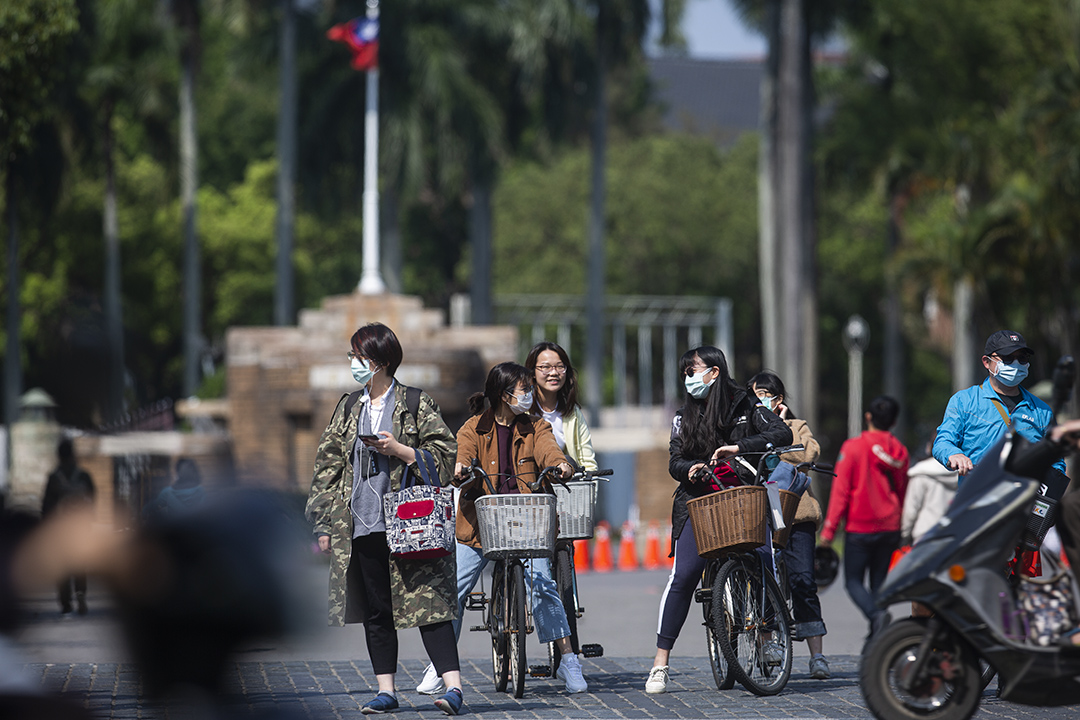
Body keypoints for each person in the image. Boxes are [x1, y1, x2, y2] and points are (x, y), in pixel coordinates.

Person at [305, 322, 465, 716]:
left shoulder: (413, 402)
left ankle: (454, 688)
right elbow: (327, 467)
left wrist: (401, 450)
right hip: (360, 524)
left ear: (379, 362)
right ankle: (386, 691)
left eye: (359, 357)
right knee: (378, 610)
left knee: (431, 604)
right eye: (352, 356)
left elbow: (446, 454)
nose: (353, 363)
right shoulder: (348, 407)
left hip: (411, 524)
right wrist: (323, 523)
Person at [646, 347, 792, 694]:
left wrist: (738, 449)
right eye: (684, 373)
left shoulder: (745, 404)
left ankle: (769, 636)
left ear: (714, 372)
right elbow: (674, 461)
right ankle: (660, 663)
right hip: (697, 501)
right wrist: (691, 469)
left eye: (692, 371)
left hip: (742, 497)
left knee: (762, 560)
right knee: (682, 577)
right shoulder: (683, 415)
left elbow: (782, 435)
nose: (688, 379)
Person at [436, 362, 587, 695]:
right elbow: (463, 454)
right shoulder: (473, 427)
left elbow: (549, 451)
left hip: (528, 520)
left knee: (544, 586)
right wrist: (460, 468)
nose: (530, 395)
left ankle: (568, 660)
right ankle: (441, 664)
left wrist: (560, 465)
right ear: (505, 395)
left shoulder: (536, 426)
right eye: (524, 389)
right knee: (456, 589)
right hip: (481, 521)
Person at [748, 372, 830, 680]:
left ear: (778, 399)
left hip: (796, 514)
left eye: (764, 395)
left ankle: (817, 655)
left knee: (804, 582)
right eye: (754, 397)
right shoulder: (746, 429)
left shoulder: (797, 427)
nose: (760, 402)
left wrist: (781, 429)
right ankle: (768, 645)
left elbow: (809, 452)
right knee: (761, 581)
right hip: (760, 514)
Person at [821, 396, 909, 639]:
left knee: (853, 582)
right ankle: (878, 633)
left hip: (860, 526)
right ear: (893, 422)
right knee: (879, 581)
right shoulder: (899, 450)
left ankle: (876, 616)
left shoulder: (853, 447)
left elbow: (841, 492)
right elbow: (903, 490)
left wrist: (829, 530)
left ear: (868, 417)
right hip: (890, 524)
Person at [933, 330, 1066, 480]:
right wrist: (954, 455)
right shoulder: (964, 401)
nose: (1016, 364)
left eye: (1022, 358)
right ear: (986, 362)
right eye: (1008, 358)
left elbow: (1056, 461)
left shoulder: (1043, 411)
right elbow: (943, 442)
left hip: (1023, 500)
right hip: (977, 498)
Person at [41, 438, 96, 617]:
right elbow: (92, 500)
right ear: (73, 454)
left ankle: (66, 604)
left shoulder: (54, 477)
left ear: (58, 455)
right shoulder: (83, 475)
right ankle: (80, 593)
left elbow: (46, 506)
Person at [901, 437, 958, 547]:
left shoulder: (922, 472)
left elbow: (911, 510)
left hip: (925, 535)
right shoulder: (964, 472)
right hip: (953, 536)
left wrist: (905, 535)